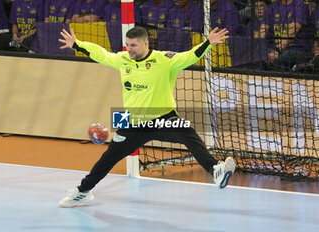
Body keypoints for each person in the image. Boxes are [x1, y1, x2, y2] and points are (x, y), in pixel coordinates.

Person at [57, 26, 236, 208]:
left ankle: (215, 170)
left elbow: (189, 56)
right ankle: (83, 192)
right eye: (127, 45)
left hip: (163, 118)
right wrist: (77, 45)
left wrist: (208, 43)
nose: (129, 49)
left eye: (133, 45)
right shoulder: (123, 59)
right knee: (108, 159)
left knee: (186, 132)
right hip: (133, 124)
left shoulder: (165, 60)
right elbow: (101, 54)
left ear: (145, 43)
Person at [260, 0, 312, 71]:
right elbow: (263, 30)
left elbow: (292, 33)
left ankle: (281, 81)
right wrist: (259, 48)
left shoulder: (299, 6)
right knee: (259, 57)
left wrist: (277, 50)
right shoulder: (272, 7)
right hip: (274, 48)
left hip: (297, 49)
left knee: (281, 59)